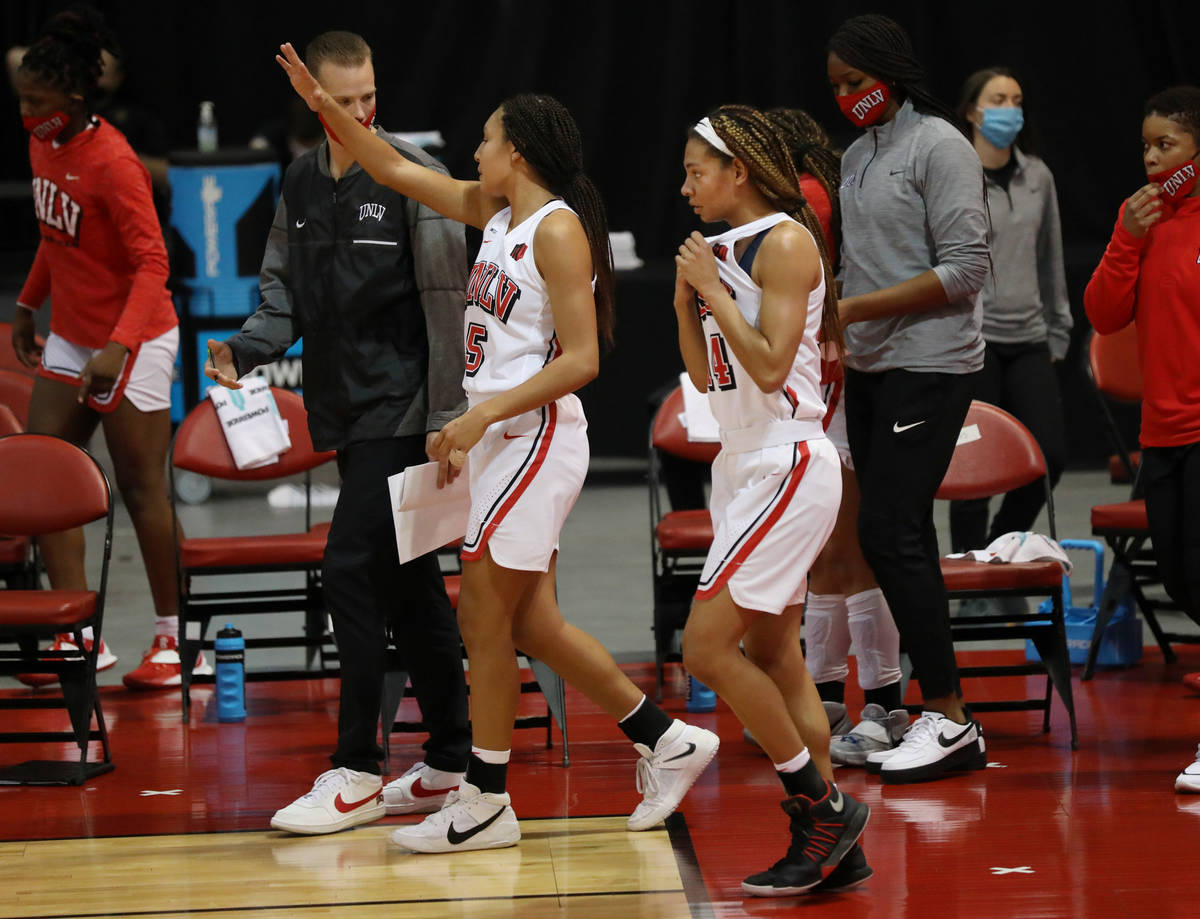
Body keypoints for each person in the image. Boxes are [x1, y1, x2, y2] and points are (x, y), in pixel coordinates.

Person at [277, 41, 718, 854]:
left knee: (481, 611)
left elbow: (582, 361)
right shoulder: (498, 214)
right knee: (532, 624)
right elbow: (396, 169)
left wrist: (482, 418)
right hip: (496, 438)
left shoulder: (556, 232)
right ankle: (665, 738)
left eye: (483, 140)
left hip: (535, 436)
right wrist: (325, 109)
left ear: (515, 152)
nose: (472, 151)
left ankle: (485, 795)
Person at [206, 31, 472, 835]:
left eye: (370, 98)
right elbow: (281, 292)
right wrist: (243, 348)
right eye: (344, 100)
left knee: (349, 568)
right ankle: (452, 762)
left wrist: (448, 422)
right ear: (313, 100)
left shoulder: (412, 180)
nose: (362, 112)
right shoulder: (298, 180)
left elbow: (447, 305)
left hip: (408, 415)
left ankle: (357, 766)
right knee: (411, 584)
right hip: (344, 413)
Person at [674, 105, 870, 896]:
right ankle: (836, 849)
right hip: (741, 460)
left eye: (696, 171)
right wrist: (688, 304)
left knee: (705, 649)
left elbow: (769, 365)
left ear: (738, 172)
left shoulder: (785, 241)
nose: (684, 186)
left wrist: (711, 293)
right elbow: (704, 374)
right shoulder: (716, 250)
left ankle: (822, 807)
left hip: (788, 459)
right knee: (777, 657)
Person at [827, 13, 991, 783]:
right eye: (835, 87)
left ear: (889, 72)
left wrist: (855, 309)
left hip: (931, 362)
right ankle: (931, 711)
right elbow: (859, 268)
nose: (846, 97)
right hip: (870, 367)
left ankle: (952, 716)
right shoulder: (856, 156)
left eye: (856, 82)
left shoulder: (941, 146)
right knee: (891, 534)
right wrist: (837, 317)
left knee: (892, 529)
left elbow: (965, 269)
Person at [11, 10, 197, 691]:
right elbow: (54, 237)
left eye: (37, 104)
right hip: (72, 333)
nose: (26, 114)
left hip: (138, 336)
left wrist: (118, 347)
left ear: (75, 102)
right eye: (23, 103)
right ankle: (75, 633)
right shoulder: (44, 146)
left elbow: (154, 266)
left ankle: (175, 640)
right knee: (43, 481)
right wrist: (29, 304)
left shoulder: (115, 163)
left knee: (144, 487)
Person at [767, 107, 907, 764]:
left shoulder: (805, 202)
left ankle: (886, 703)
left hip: (829, 385)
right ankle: (822, 696)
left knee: (848, 550)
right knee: (825, 557)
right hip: (815, 386)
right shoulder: (798, 199)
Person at [1082, 85, 1200, 794]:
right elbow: (1103, 310)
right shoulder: (1145, 222)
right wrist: (1126, 235)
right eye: (1147, 147)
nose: (1153, 159)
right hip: (1163, 430)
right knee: (1184, 578)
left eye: (1168, 146)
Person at [949, 67, 1071, 570]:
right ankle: (965, 571)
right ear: (973, 111)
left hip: (1029, 338)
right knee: (972, 471)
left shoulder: (1038, 175)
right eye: (998, 99)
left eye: (1017, 99)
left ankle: (997, 550)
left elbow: (1051, 258)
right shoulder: (953, 173)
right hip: (972, 343)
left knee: (1050, 459)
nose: (1010, 109)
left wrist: (1059, 328)